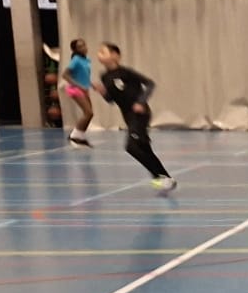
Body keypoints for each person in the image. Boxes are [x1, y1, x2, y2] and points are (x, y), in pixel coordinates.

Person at [95, 42, 175, 193]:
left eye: (103, 52)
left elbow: (150, 84)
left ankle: (162, 178)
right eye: (98, 52)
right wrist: (103, 93)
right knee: (144, 148)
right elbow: (111, 100)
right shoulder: (104, 76)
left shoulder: (126, 72)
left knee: (131, 147)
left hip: (140, 114)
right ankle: (164, 178)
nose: (99, 55)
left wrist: (141, 101)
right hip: (127, 116)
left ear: (115, 55)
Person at [62, 38, 95, 146]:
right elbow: (65, 75)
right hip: (75, 89)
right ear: (75, 50)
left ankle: (80, 136)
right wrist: (80, 86)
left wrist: (91, 84)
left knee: (90, 114)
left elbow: (84, 76)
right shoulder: (76, 60)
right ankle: (74, 136)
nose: (83, 48)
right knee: (88, 113)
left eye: (84, 45)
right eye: (80, 47)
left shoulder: (87, 60)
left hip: (84, 89)